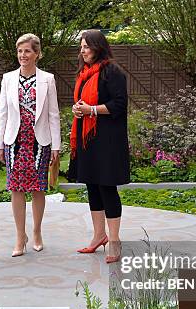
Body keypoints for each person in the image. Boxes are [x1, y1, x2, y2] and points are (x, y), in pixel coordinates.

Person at [0, 34, 61, 257]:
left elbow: (54, 115)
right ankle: (19, 236)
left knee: (37, 188)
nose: (23, 55)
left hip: (39, 142)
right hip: (14, 141)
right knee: (15, 187)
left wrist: (56, 146)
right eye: (20, 51)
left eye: (27, 51)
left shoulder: (48, 79)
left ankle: (36, 232)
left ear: (37, 54)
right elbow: (2, 113)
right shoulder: (7, 79)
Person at [69, 30, 130, 264]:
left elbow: (119, 104)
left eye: (86, 46)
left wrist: (91, 110)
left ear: (98, 47)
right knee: (92, 187)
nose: (82, 51)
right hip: (88, 140)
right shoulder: (84, 73)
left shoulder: (111, 71)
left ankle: (114, 241)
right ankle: (98, 236)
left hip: (108, 141)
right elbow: (83, 103)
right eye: (81, 47)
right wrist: (78, 110)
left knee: (107, 188)